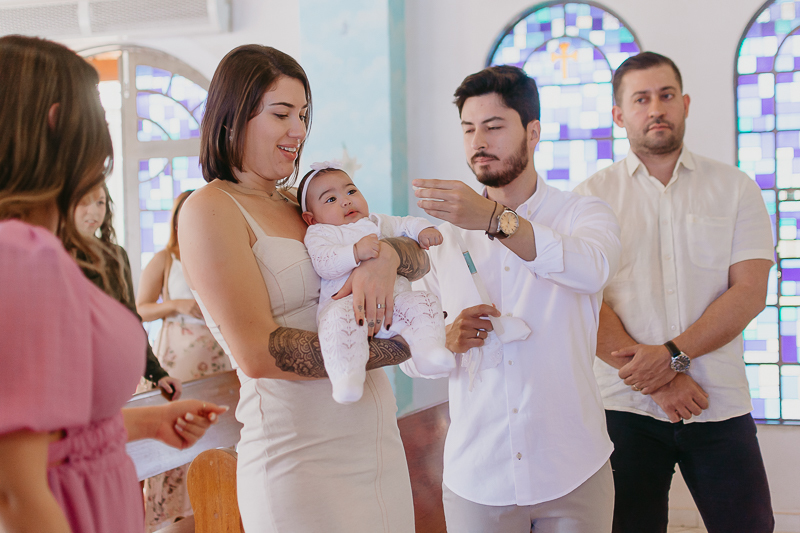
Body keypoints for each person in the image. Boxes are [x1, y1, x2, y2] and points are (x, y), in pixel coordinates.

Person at [179, 44, 429, 532]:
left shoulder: (304, 202)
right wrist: (399, 346)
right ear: (233, 117)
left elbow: (408, 254)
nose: (299, 130)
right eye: (281, 114)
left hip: (375, 446)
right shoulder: (209, 209)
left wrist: (389, 258)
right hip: (298, 461)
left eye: (304, 114)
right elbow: (258, 352)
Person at [0, 35, 227, 533]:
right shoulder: (21, 256)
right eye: (100, 116)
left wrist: (143, 423)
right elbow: (16, 492)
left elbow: (41, 434)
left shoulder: (37, 249)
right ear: (60, 122)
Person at [410, 65, 620, 532]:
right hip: (478, 476)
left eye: (493, 126)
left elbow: (593, 269)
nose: (478, 141)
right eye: (468, 129)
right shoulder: (441, 238)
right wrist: (443, 340)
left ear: (533, 131)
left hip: (573, 466)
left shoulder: (582, 213)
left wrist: (492, 219)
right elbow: (408, 351)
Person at [574, 51, 775, 533]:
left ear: (684, 104)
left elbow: (749, 292)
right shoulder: (587, 199)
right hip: (625, 410)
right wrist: (661, 378)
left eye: (666, 96)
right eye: (641, 99)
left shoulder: (735, 188)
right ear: (620, 114)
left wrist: (673, 357)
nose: (656, 108)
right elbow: (584, 301)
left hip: (718, 402)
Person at [299, 161, 453, 403]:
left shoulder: (376, 221)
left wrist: (423, 229)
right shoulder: (321, 233)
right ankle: (347, 377)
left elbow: (405, 223)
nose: (346, 201)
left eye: (351, 191)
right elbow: (323, 263)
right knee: (337, 326)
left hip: (393, 304)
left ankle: (428, 351)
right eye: (331, 199)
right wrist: (354, 252)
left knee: (424, 301)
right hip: (348, 306)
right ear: (311, 218)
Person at [135, 189, 231, 529]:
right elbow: (140, 309)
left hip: (221, 362)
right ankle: (170, 520)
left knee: (216, 437)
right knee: (177, 436)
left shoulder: (219, 255)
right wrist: (176, 304)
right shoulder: (165, 259)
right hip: (180, 362)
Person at [72, 181, 183, 399]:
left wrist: (156, 373)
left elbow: (131, 318)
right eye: (84, 203)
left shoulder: (115, 256)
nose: (93, 211)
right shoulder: (50, 254)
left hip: (110, 371)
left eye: (100, 203)